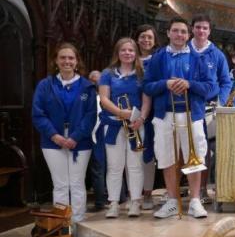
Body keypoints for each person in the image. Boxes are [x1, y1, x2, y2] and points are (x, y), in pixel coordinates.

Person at [144, 17, 217, 219]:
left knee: (195, 158)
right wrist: (165, 84)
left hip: (191, 115)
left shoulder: (198, 58)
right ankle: (172, 201)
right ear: (168, 33)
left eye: (183, 32)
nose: (179, 35)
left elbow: (211, 88)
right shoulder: (157, 58)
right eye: (175, 31)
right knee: (167, 158)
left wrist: (189, 84)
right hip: (164, 114)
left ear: (189, 34)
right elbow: (147, 86)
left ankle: (194, 201)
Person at [32, 43, 97, 226]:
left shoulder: (87, 86)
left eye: (71, 58)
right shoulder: (45, 85)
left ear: (77, 62)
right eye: (62, 57)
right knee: (60, 184)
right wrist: (55, 136)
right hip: (53, 141)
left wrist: (75, 136)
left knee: (76, 183)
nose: (67, 61)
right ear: (56, 61)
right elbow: (38, 114)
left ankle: (77, 223)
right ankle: (61, 224)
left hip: (80, 141)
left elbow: (90, 115)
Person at [98, 38, 152, 218]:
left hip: (136, 124)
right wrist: (122, 113)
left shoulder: (141, 73)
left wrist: (141, 118)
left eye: (131, 50)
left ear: (135, 53)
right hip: (114, 124)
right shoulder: (108, 73)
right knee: (114, 166)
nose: (127, 53)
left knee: (135, 166)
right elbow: (104, 99)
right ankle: (113, 203)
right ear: (118, 53)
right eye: (124, 50)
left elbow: (146, 100)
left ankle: (136, 202)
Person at [188, 14, 232, 203]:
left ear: (209, 31)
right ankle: (185, 191)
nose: (201, 31)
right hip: (185, 107)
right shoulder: (183, 50)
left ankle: (202, 189)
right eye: (198, 27)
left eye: (205, 28)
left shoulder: (217, 54)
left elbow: (225, 81)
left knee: (203, 150)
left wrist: (221, 101)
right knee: (182, 150)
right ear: (192, 29)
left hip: (207, 108)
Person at [135, 24, 158, 210]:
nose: (146, 40)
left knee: (148, 154)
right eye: (143, 36)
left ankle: (148, 193)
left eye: (149, 37)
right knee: (132, 154)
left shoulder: (158, 58)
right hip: (131, 110)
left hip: (154, 111)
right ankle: (134, 194)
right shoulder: (129, 57)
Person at [87, 70, 107, 212]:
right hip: (99, 134)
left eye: (97, 80)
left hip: (98, 135)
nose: (95, 82)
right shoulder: (91, 96)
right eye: (92, 80)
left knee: (99, 169)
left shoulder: (100, 97)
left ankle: (100, 202)